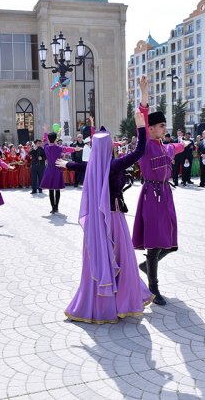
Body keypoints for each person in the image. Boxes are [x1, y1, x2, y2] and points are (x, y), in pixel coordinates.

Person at [58, 109, 153, 323]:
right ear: (108, 146)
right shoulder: (113, 164)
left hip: (96, 223)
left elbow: (83, 165)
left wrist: (69, 164)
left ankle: (103, 304)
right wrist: (140, 128)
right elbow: (139, 152)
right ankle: (122, 302)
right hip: (114, 219)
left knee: (101, 261)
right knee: (122, 260)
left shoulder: (94, 166)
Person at [132, 76, 187, 306]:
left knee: (170, 243)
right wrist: (144, 96)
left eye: (165, 125)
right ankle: (153, 288)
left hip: (166, 195)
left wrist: (185, 143)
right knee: (155, 244)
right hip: (151, 195)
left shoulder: (166, 148)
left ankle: (146, 266)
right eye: (161, 125)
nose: (165, 129)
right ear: (151, 128)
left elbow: (177, 147)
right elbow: (142, 118)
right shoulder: (145, 145)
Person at [40, 129, 81, 213]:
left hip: (49, 170)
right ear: (55, 139)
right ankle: (56, 207)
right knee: (57, 189)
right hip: (57, 169)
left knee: (50, 189)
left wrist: (45, 132)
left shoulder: (46, 147)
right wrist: (75, 149)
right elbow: (67, 149)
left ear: (49, 139)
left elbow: (44, 141)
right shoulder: (58, 148)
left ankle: (52, 208)